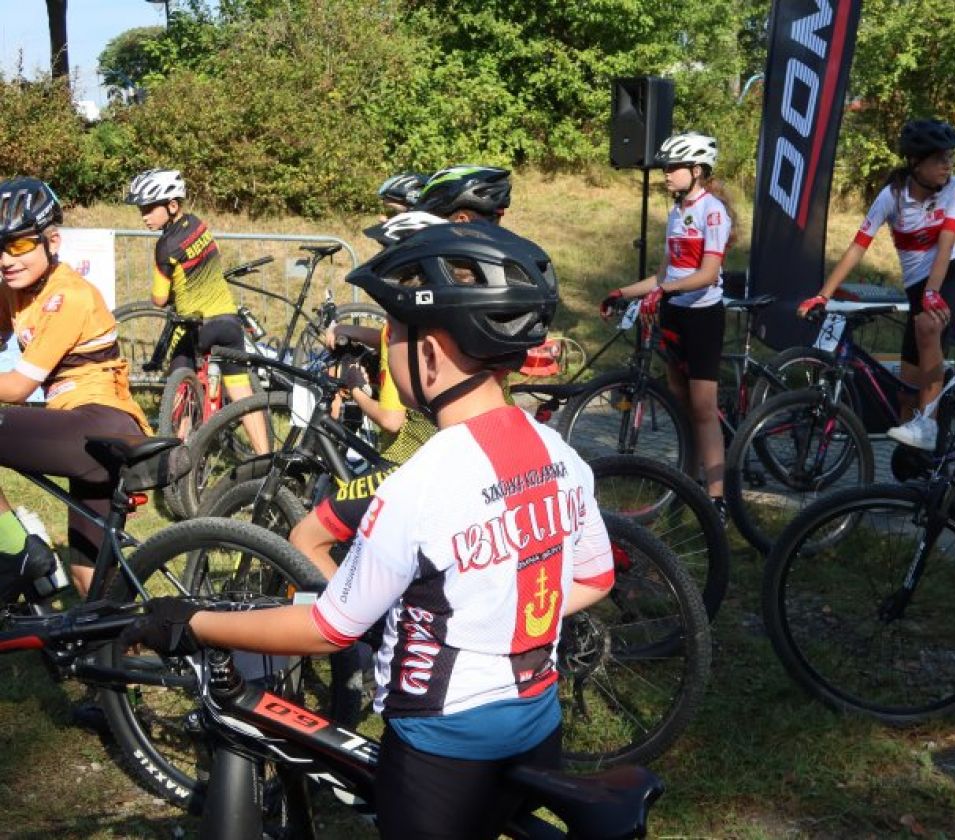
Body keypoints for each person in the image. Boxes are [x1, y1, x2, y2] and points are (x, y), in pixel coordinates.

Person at [123, 222, 614, 840]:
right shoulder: (560, 454)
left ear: (430, 354)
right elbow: (596, 577)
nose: (385, 350)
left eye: (392, 336)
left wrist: (190, 622)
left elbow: (329, 629)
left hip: (443, 746)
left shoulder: (418, 483)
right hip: (538, 723)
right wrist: (497, 612)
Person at [290, 165, 513, 576]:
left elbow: (394, 417)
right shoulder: (479, 286)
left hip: (417, 453)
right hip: (486, 442)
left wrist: (357, 388)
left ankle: (352, 614)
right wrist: (363, 333)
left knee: (306, 537)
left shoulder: (427, 296)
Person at [0, 177, 153, 599]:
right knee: (92, 587)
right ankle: (135, 640)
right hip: (78, 427)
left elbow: (17, 387)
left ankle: (18, 553)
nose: (6, 259)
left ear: (52, 241)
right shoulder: (15, 291)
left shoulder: (69, 295)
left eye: (18, 245)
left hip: (100, 422)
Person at [797, 119, 955, 450]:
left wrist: (933, 293)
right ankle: (917, 463)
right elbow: (858, 247)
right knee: (906, 394)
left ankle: (929, 424)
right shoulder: (892, 196)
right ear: (916, 162)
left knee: (927, 326)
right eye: (940, 158)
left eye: (951, 157)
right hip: (919, 290)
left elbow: (945, 245)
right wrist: (823, 295)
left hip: (952, 278)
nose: (948, 165)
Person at [599, 133, 733, 513]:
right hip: (673, 311)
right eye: (666, 167)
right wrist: (622, 292)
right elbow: (663, 275)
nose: (666, 174)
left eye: (673, 167)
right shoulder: (676, 212)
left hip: (702, 315)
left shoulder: (713, 211)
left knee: (703, 407)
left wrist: (665, 291)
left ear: (697, 170)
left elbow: (708, 274)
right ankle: (686, 484)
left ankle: (716, 498)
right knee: (680, 403)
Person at [124, 169, 269, 454]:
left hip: (197, 327)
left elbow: (159, 298)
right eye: (141, 209)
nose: (144, 216)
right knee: (242, 394)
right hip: (228, 322)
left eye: (149, 209)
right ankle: (267, 459)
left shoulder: (165, 245)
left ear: (172, 205)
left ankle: (181, 451)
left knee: (180, 380)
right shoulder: (198, 225)